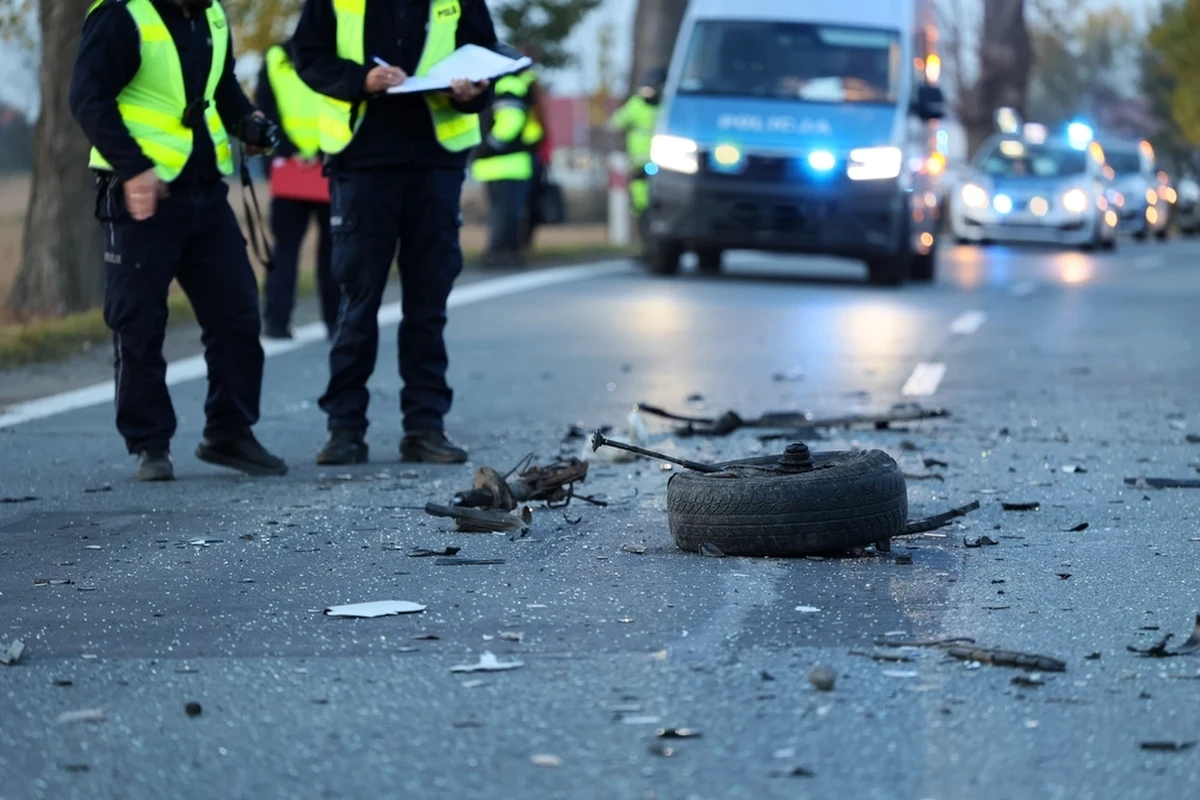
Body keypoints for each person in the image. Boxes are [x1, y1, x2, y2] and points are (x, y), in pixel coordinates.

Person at [69, 0, 289, 482]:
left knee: (237, 312)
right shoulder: (121, 15)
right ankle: (150, 443)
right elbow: (88, 99)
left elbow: (221, 87)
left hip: (204, 191)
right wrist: (134, 167)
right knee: (139, 321)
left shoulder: (211, 14)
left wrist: (248, 122)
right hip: (138, 195)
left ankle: (229, 432)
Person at [292, 0, 499, 465]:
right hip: (364, 161)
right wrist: (360, 80)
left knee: (428, 302)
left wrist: (473, 91)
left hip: (435, 162)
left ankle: (425, 427)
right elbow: (308, 54)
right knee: (357, 300)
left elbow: (485, 55)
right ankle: (345, 428)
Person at [255, 37, 340, 341]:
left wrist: (288, 150)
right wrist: (319, 151)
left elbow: (265, 110)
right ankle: (335, 323)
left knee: (285, 249)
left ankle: (276, 322)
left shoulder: (275, 57)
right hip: (330, 161)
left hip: (289, 166)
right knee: (332, 250)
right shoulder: (335, 51)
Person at [470, 66, 536, 268]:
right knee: (507, 212)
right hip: (506, 165)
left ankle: (499, 253)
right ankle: (506, 253)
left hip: (502, 164)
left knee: (503, 212)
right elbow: (511, 121)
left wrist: (487, 147)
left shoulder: (504, 84)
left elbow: (510, 121)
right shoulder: (508, 83)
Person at [609, 67, 666, 242]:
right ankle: (644, 237)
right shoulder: (636, 104)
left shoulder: (667, 105)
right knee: (640, 202)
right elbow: (617, 122)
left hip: (664, 162)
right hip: (640, 164)